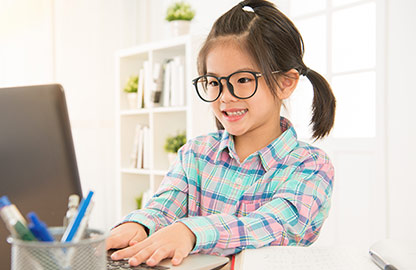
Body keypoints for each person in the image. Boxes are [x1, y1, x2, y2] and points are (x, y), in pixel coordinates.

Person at [106, 0, 336, 267]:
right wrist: (138, 226)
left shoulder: (310, 166)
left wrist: (191, 232)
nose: (225, 97)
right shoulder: (196, 154)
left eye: (243, 80)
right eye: (214, 82)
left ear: (285, 83)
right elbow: (163, 207)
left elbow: (274, 225)